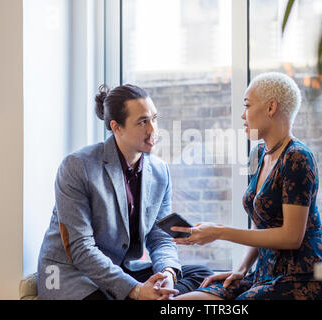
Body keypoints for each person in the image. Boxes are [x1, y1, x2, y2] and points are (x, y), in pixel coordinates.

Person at [37, 84, 213, 300]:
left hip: (121, 267)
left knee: (202, 275)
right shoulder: (77, 166)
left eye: (154, 119)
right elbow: (80, 248)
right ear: (116, 127)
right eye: (142, 122)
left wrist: (167, 273)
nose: (153, 130)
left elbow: (160, 236)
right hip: (72, 273)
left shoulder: (159, 171)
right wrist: (136, 290)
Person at [172, 72, 322, 300]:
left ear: (271, 107)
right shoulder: (258, 153)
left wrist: (219, 232)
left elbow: (291, 237)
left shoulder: (298, 157)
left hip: (298, 279)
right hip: (262, 274)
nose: (243, 115)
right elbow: (262, 223)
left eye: (247, 105)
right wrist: (242, 268)